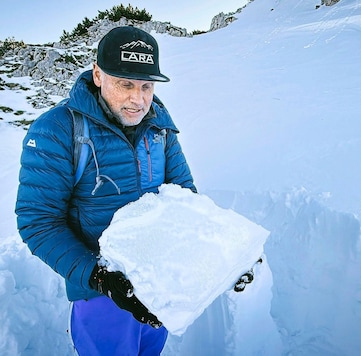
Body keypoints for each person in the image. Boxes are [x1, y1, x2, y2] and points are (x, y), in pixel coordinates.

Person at [16, 26, 255, 355]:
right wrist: (100, 277)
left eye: (146, 86)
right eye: (125, 83)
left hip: (158, 287)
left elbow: (185, 200)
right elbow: (38, 222)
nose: (138, 99)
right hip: (100, 298)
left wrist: (227, 254)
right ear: (98, 75)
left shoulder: (159, 123)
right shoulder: (56, 129)